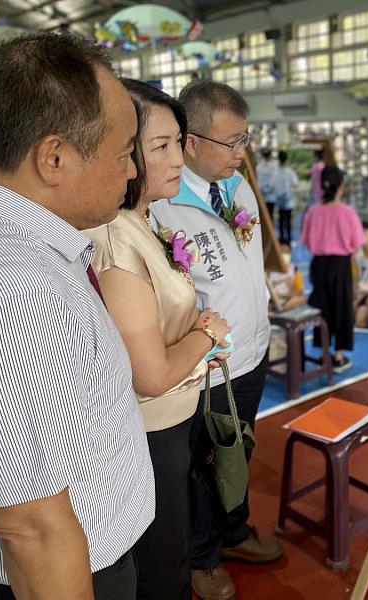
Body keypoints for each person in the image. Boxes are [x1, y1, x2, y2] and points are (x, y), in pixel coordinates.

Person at [0, 33, 155, 599]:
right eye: (123, 154)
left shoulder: (23, 249)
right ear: (55, 157)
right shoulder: (15, 294)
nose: (131, 173)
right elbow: (33, 531)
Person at [84, 80, 233, 600]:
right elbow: (147, 374)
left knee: (173, 545)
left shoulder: (146, 221)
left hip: (175, 419)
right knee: (161, 564)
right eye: (160, 147)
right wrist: (205, 334)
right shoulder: (116, 239)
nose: (177, 158)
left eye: (179, 142)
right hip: (149, 433)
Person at [148, 80, 282, 600]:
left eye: (245, 138)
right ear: (190, 142)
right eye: (231, 142)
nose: (241, 152)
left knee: (238, 450)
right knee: (204, 464)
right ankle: (202, 557)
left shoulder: (238, 185)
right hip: (206, 363)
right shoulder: (162, 206)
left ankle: (234, 531)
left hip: (252, 351)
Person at [301, 165, 365, 373]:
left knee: (322, 308)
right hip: (341, 265)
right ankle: (338, 356)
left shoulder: (313, 211)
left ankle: (323, 353)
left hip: (319, 265)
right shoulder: (348, 212)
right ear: (341, 187)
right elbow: (357, 244)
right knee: (342, 308)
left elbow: (307, 242)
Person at [268, 238, 306, 312]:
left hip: (287, 300)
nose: (284, 255)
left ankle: (281, 309)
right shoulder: (269, 270)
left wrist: (285, 295)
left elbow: (300, 291)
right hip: (271, 301)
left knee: (301, 299)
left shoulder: (294, 270)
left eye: (287, 252)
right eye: (281, 252)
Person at [274, 149, 299, 243]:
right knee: (288, 221)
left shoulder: (276, 172)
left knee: (280, 220)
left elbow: (273, 185)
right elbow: (296, 184)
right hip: (289, 201)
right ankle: (288, 239)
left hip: (280, 200)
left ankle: (281, 239)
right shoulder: (290, 172)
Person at [255, 147, 278, 224]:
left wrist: (262, 190)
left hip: (264, 195)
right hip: (268, 195)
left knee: (265, 218)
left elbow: (260, 181)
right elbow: (273, 182)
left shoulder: (260, 166)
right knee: (267, 218)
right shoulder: (272, 165)